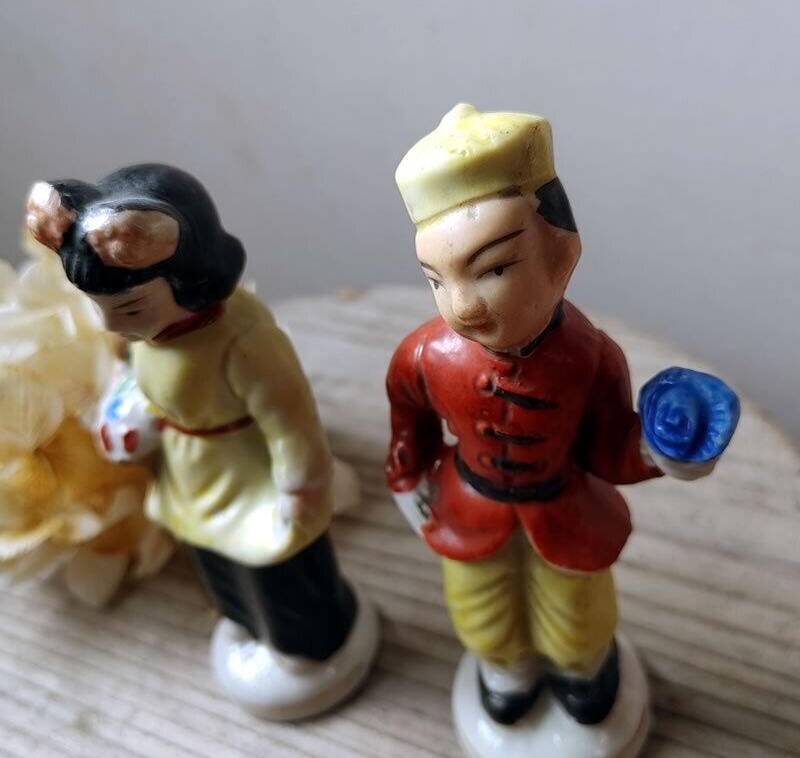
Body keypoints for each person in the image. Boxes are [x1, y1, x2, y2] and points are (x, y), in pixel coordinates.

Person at [386, 104, 739, 755]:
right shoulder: (425, 355)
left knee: (576, 608)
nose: (462, 307)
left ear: (559, 252)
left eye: (493, 269)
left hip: (563, 505)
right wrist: (407, 478)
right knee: (479, 604)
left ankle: (582, 670)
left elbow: (608, 445)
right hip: (470, 503)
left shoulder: (591, 357)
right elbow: (408, 416)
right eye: (437, 280)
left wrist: (660, 451)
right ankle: (505, 669)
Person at [26, 163, 378, 719]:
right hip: (192, 469)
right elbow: (146, 385)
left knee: (279, 567)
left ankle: (311, 648)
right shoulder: (148, 336)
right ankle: (245, 622)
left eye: (129, 308)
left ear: (188, 281)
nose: (112, 325)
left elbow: (291, 419)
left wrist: (303, 485)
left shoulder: (244, 338)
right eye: (100, 307)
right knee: (215, 563)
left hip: (253, 475)